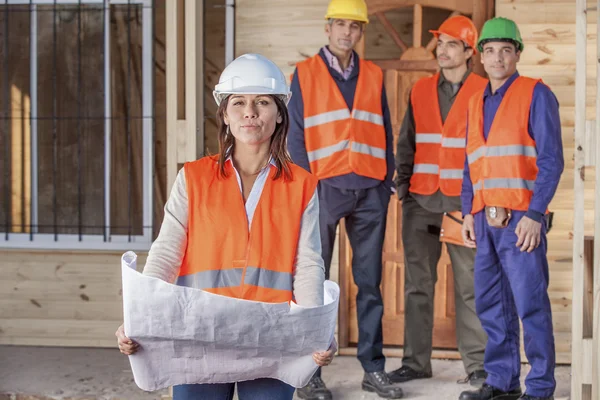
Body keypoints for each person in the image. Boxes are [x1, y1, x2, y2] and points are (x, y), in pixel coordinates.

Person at [115, 53, 336, 400]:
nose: (250, 112)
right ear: (225, 114)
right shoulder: (193, 177)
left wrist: (315, 329)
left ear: (279, 114)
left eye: (262, 102)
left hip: (270, 338)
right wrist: (140, 318)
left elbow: (307, 264)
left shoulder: (302, 184)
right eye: (239, 102)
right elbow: (166, 252)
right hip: (198, 335)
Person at [287, 0, 402, 399]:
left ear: (361, 32)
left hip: (370, 189)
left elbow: (385, 129)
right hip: (322, 188)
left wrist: (387, 182)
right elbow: (295, 135)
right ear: (327, 28)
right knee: (312, 282)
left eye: (354, 26)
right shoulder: (303, 74)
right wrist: (304, 188)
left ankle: (374, 368)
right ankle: (309, 372)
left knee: (370, 283)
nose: (346, 33)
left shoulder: (373, 73)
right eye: (340, 24)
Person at [458, 17, 563, 400]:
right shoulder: (474, 102)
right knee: (491, 305)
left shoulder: (536, 94)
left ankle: (539, 387)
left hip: (521, 220)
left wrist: (536, 215)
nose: (497, 57)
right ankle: (502, 381)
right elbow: (472, 163)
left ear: (517, 53)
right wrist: (468, 212)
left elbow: (551, 159)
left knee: (530, 305)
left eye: (505, 50)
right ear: (481, 58)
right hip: (485, 221)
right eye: (489, 51)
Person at [390, 15, 488, 388]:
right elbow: (407, 142)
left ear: (468, 51)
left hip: (464, 206)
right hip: (420, 200)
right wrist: (403, 190)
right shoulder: (419, 90)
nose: (442, 50)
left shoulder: (483, 89)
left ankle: (477, 365)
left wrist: (479, 202)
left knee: (470, 286)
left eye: (451, 44)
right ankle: (416, 363)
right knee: (418, 284)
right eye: (440, 43)